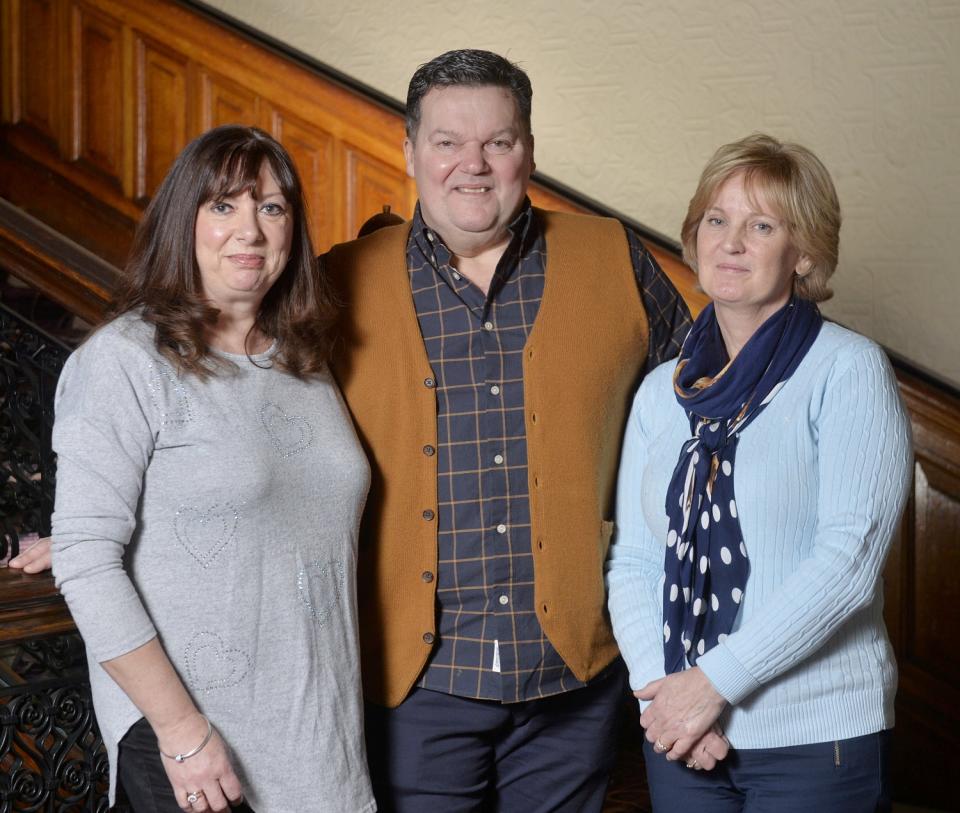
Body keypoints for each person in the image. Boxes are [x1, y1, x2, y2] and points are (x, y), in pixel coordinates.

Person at [323, 49, 692, 812]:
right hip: (414, 685)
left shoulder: (615, 258)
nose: (473, 165)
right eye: (447, 142)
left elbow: (700, 430)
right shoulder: (337, 280)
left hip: (573, 677)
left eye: (498, 141)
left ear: (529, 149)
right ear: (410, 152)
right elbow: (255, 434)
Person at [46, 126, 374, 812]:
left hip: (317, 737)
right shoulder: (124, 360)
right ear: (182, 220)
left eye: (273, 208)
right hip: (196, 745)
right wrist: (182, 732)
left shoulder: (303, 361)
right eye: (223, 205)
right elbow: (86, 557)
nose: (249, 229)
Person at [606, 133, 912, 812]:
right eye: (717, 220)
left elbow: (848, 562)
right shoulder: (664, 389)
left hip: (816, 738)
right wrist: (667, 692)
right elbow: (632, 558)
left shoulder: (847, 369)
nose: (732, 241)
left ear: (803, 253)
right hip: (683, 733)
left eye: (762, 225)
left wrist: (712, 683)